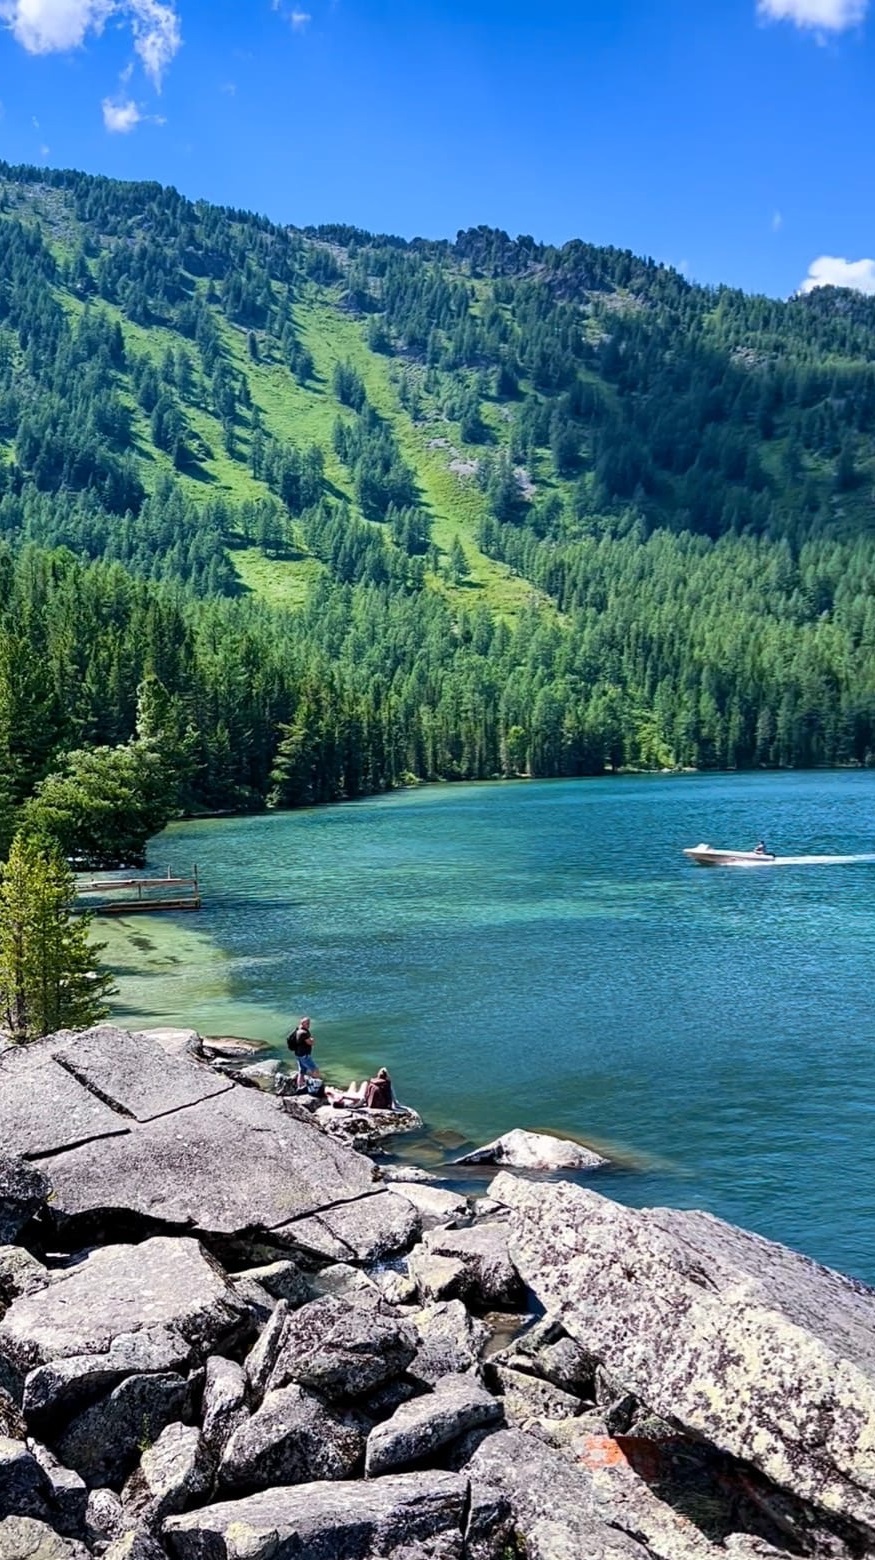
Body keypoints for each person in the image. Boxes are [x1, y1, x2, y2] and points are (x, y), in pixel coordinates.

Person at [286, 1016, 319, 1089]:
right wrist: (312, 1040)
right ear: (303, 1023)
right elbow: (310, 1043)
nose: (309, 1025)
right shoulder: (303, 1033)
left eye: (309, 1023)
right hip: (304, 1055)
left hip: (298, 1054)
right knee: (315, 1070)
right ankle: (315, 1088)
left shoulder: (298, 1030)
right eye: (307, 1023)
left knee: (302, 1071)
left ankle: (300, 1086)